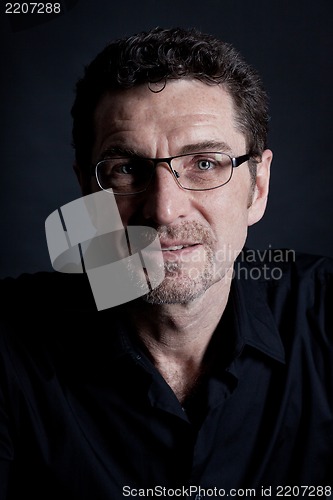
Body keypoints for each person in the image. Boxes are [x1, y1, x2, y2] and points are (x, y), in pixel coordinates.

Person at [0, 26, 332, 500]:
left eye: (203, 163)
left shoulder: (324, 318)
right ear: (86, 193)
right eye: (125, 169)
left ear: (258, 188)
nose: (163, 209)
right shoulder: (12, 343)